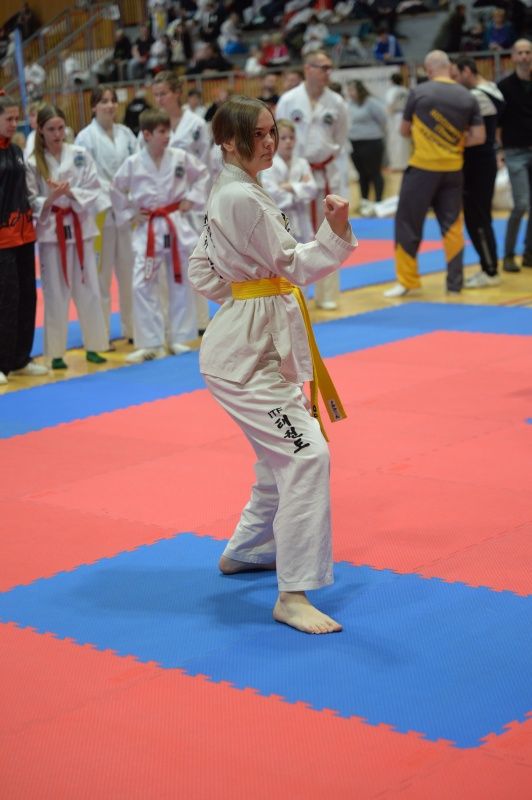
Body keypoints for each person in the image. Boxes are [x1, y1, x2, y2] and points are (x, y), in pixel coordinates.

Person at [187, 96, 358, 634]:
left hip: (247, 344)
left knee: (276, 456)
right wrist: (335, 229)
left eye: (271, 132)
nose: (269, 142)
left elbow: (200, 269)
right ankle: (293, 593)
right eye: (257, 134)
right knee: (307, 454)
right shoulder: (243, 197)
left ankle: (247, 550)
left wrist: (246, 293)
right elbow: (295, 264)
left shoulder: (231, 190)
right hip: (245, 360)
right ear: (228, 142)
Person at [110, 109, 209, 363]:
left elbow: (203, 174)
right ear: (146, 134)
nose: (168, 136)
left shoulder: (179, 157)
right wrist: (130, 213)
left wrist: (191, 199)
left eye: (168, 131)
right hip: (149, 228)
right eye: (162, 132)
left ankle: (178, 338)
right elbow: (116, 189)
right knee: (142, 284)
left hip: (174, 225)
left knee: (179, 281)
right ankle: (151, 343)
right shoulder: (133, 163)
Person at [384, 50, 485, 298]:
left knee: (407, 223)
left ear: (428, 70)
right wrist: (451, 143)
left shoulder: (419, 92)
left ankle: (407, 281)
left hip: (423, 168)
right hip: (453, 169)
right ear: (449, 68)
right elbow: (479, 137)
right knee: (452, 227)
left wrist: (430, 138)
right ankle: (455, 284)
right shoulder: (467, 96)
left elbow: (404, 130)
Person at [25, 104, 109, 369]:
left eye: (61, 128)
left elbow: (94, 188)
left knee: (89, 288)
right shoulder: (32, 162)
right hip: (52, 233)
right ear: (40, 130)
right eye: (51, 129)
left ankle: (95, 346)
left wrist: (70, 192)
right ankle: (56, 353)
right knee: (55, 293)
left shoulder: (80, 154)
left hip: (81, 228)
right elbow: (31, 200)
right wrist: (51, 198)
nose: (57, 134)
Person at [276, 50, 349, 310]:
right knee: (295, 234)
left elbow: (340, 139)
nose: (328, 72)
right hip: (295, 173)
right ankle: (296, 291)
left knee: (330, 234)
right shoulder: (289, 100)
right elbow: (278, 134)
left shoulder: (337, 102)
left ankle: (327, 294)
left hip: (325, 172)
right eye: (323, 67)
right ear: (308, 69)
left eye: (330, 67)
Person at [75, 87, 138, 342]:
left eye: (112, 101)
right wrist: (112, 195)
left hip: (126, 212)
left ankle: (133, 329)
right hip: (99, 213)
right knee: (100, 277)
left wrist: (125, 196)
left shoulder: (127, 134)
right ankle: (100, 335)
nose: (110, 105)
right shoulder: (84, 138)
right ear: (93, 107)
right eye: (103, 101)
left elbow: (137, 167)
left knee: (129, 273)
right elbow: (85, 178)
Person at [150, 71, 210, 333]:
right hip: (162, 207)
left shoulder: (195, 124)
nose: (159, 99)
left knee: (196, 262)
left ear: (176, 93)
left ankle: (200, 320)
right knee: (163, 268)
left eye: (163, 93)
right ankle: (168, 321)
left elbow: (206, 166)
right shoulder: (154, 124)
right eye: (156, 95)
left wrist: (194, 198)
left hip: (189, 205)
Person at [0, 94, 48, 386]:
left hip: (24, 234)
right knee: (5, 300)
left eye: (16, 118)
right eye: (8, 118)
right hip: (2, 239)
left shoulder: (16, 151)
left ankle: (20, 358)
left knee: (27, 297)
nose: (13, 123)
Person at [454, 55, 505, 288]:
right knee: (480, 216)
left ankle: (490, 269)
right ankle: (489, 266)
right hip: (484, 161)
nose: (455, 81)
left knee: (477, 218)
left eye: (456, 75)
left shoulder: (477, 95)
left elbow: (474, 133)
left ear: (467, 71)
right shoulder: (493, 89)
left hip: (477, 163)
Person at [497, 38, 532, 272]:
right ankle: (509, 254)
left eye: (528, 52)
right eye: (520, 52)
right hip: (515, 151)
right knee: (521, 204)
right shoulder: (505, 86)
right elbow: (498, 123)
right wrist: (501, 149)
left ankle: (529, 252)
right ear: (513, 56)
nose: (524, 56)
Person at [260, 118, 317, 243]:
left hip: (301, 218)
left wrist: (287, 186)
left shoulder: (302, 163)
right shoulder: (268, 165)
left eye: (291, 137)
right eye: (283, 138)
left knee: (305, 250)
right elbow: (271, 193)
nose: (288, 141)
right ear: (275, 140)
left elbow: (312, 189)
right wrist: (299, 187)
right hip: (279, 217)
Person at [346, 80, 387, 212]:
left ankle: (379, 202)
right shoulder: (349, 104)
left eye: (352, 90)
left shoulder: (371, 103)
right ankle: (364, 202)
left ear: (360, 90)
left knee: (374, 173)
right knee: (362, 174)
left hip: (372, 142)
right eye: (348, 91)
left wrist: (372, 132)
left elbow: (383, 119)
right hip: (355, 143)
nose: (350, 93)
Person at [384, 73, 411, 172]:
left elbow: (390, 104)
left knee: (395, 141)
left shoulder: (392, 91)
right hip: (406, 116)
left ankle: (396, 165)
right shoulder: (406, 90)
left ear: (391, 81)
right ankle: (406, 163)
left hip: (395, 117)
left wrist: (388, 115)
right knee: (405, 141)